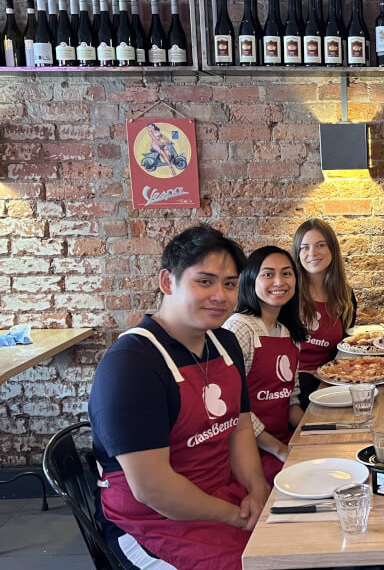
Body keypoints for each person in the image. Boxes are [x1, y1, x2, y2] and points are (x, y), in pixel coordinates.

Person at [89, 225, 269, 570]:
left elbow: (240, 428)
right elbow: (153, 489)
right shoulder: (133, 364)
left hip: (222, 493)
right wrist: (235, 516)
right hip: (153, 521)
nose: (221, 295)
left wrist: (257, 489)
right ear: (167, 282)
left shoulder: (224, 343)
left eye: (230, 284)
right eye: (205, 281)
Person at [223, 246, 306, 486]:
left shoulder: (288, 333)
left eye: (287, 273)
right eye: (268, 274)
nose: (279, 281)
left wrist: (312, 429)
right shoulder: (240, 328)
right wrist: (281, 450)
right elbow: (234, 409)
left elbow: (290, 399)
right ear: (250, 280)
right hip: (250, 451)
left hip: (281, 441)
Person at [292, 218, 357, 409]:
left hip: (330, 378)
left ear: (332, 250)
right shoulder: (289, 293)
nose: (312, 253)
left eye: (320, 245)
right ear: (297, 253)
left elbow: (344, 345)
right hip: (293, 383)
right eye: (304, 247)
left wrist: (328, 375)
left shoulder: (345, 294)